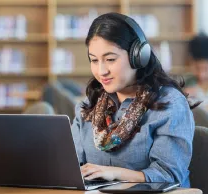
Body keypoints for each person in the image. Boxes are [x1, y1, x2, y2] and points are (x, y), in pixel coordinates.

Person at [71, 13, 199, 188]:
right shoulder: (88, 106)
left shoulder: (170, 104)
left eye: (110, 59)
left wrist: (115, 173)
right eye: (94, 60)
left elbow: (169, 175)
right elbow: (70, 168)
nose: (101, 71)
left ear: (138, 56)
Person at [185, 33, 208, 102]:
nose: (201, 74)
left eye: (206, 68)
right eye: (197, 68)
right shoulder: (185, 84)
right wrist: (183, 97)